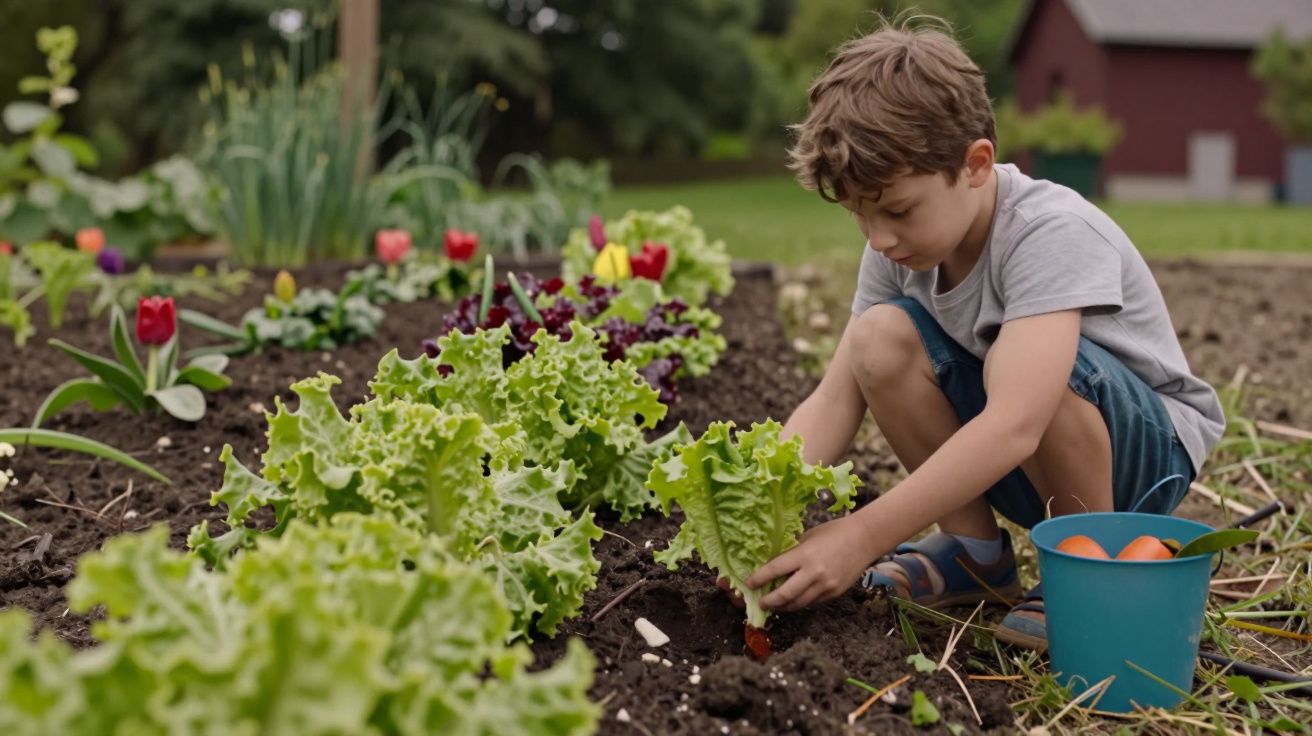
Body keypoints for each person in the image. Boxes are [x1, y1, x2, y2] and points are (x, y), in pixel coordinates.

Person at [741, 15, 1224, 651]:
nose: (879, 237)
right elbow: (836, 397)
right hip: (1017, 454)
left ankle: (1087, 562)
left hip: (1142, 458)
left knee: (1017, 367)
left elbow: (1018, 420)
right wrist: (751, 513)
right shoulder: (897, 247)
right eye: (859, 214)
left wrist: (861, 536)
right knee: (876, 341)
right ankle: (974, 555)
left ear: (975, 164)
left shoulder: (1050, 232)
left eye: (897, 210)